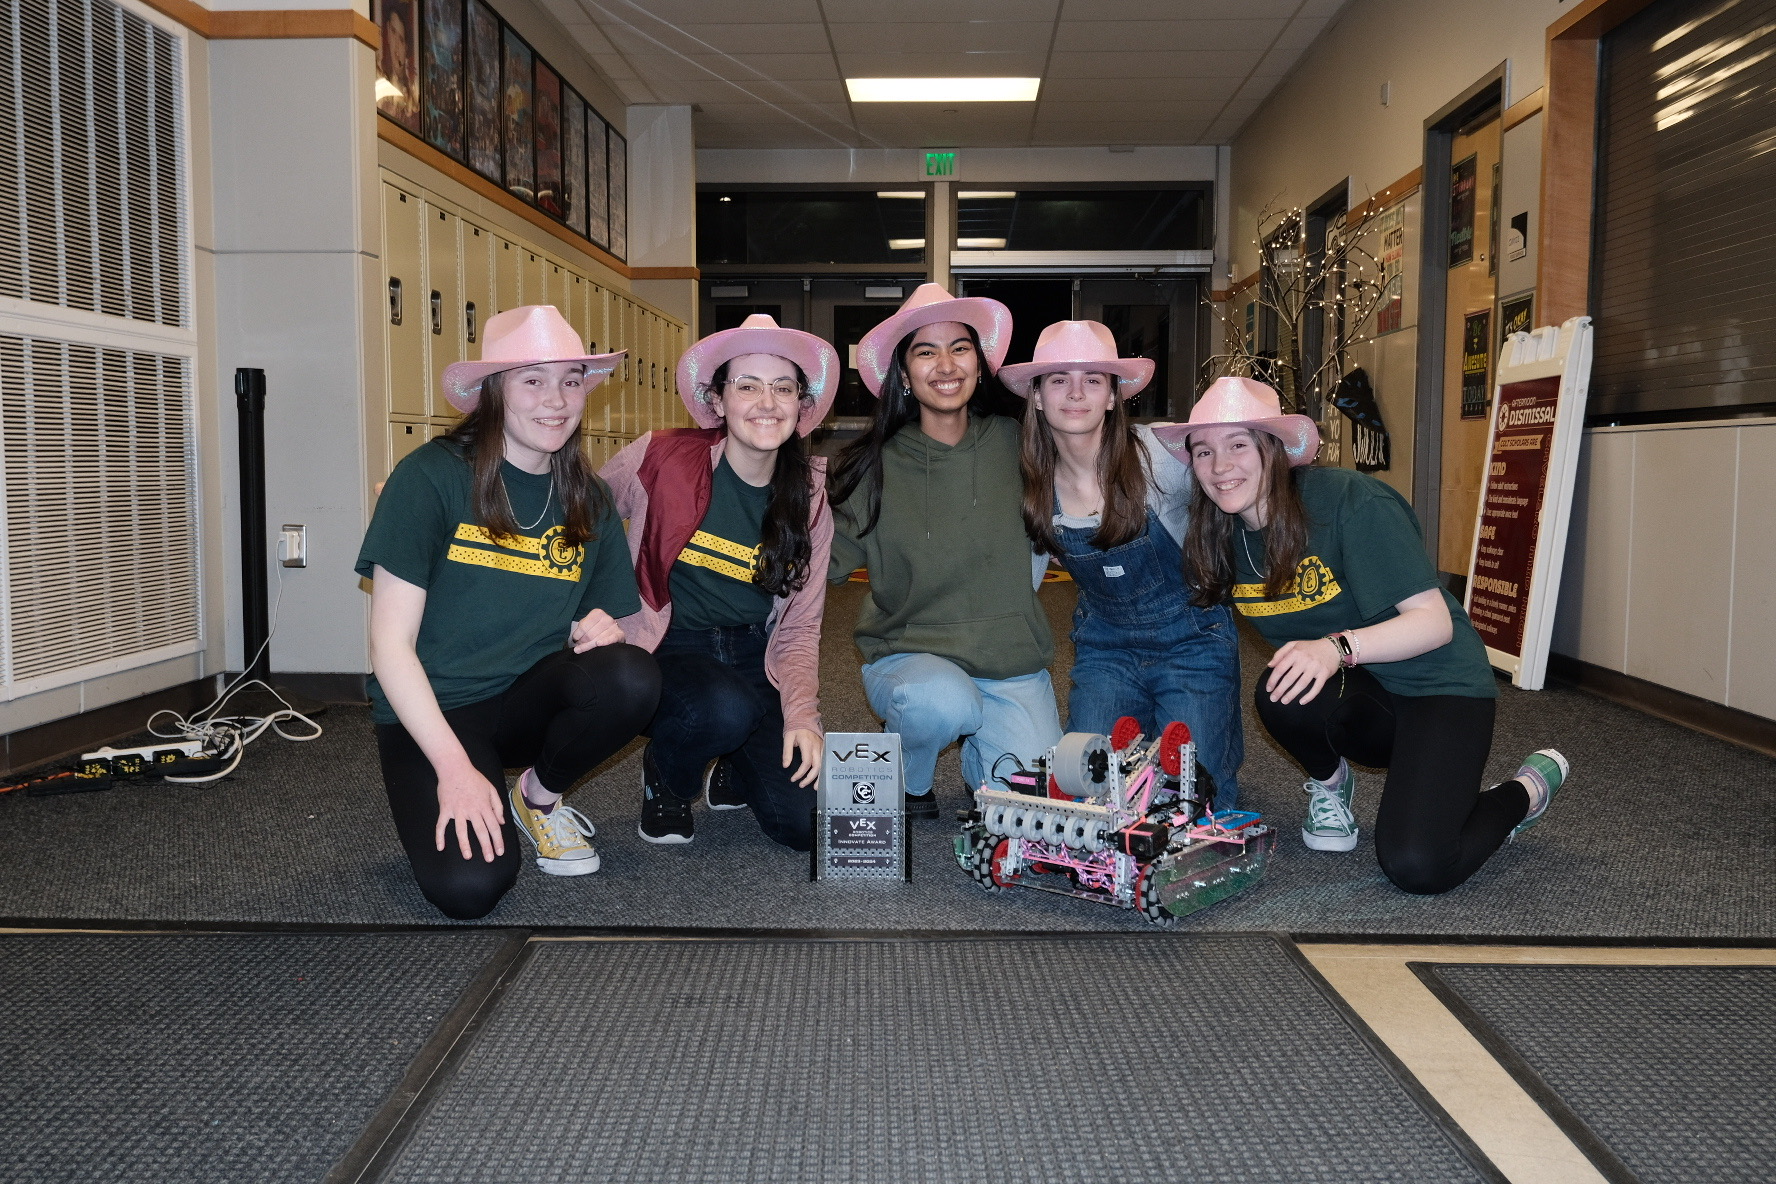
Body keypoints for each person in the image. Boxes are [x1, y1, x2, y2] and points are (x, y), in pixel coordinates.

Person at [1159, 377, 1568, 894]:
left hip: (1438, 688)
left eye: (1238, 444)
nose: (1220, 466)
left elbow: (1434, 622)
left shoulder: (1353, 501)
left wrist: (1336, 649)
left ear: (1277, 451)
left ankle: (1522, 794)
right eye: (1203, 451)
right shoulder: (1221, 532)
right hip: (1364, 698)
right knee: (1281, 686)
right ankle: (1332, 786)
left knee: (1418, 865)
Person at [357, 305, 660, 920]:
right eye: (531, 379)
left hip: (523, 697)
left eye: (571, 380)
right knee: (469, 890)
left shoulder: (587, 495)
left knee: (631, 675)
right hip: (434, 709)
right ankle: (471, 779)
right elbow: (389, 647)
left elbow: (613, 623)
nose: (556, 400)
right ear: (493, 391)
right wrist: (454, 768)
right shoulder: (430, 478)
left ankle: (536, 800)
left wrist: (601, 628)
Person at [601, 315, 837, 851]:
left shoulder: (812, 495)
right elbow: (579, 512)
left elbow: (801, 626)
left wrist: (802, 716)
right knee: (723, 710)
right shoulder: (659, 456)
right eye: (747, 386)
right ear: (718, 400)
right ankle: (668, 776)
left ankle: (735, 755)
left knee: (803, 825)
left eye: (783, 388)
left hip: (758, 652)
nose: (767, 402)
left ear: (802, 404)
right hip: (670, 644)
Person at [828, 284, 1062, 818]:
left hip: (1009, 664)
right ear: (904, 376)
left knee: (1038, 814)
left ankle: (986, 761)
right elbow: (821, 564)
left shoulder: (1021, 442)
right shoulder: (871, 467)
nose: (946, 364)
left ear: (979, 365)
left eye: (960, 348)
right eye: (925, 351)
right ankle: (911, 778)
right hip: (912, 660)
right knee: (942, 701)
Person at [1001, 321, 1243, 809]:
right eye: (1058, 380)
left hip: (1193, 643)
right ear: (1037, 397)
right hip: (1106, 650)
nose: (1075, 393)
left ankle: (1204, 727)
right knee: (1086, 789)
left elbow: (1241, 480)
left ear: (1113, 397)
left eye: (1093, 380)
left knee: (1189, 799)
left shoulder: (1162, 456)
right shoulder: (1028, 483)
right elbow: (1016, 586)